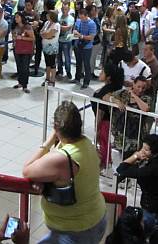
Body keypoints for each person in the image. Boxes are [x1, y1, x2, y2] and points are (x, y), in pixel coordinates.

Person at [23, 101, 107, 243]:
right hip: (96, 219)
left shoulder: (62, 159)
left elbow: (27, 170)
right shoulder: (86, 143)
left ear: (56, 128)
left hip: (75, 232)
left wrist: (48, 142)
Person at [116, 134, 158, 242]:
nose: (142, 151)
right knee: (155, 237)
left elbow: (121, 169)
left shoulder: (150, 170)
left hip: (151, 210)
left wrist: (135, 156)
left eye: (146, 149)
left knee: (141, 238)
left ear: (155, 152)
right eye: (142, 148)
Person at [107, 76, 153, 158]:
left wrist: (134, 95)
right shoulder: (123, 93)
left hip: (136, 135)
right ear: (133, 84)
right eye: (138, 86)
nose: (140, 90)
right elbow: (107, 97)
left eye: (143, 88)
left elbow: (145, 108)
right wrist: (116, 101)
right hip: (122, 132)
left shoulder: (146, 98)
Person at [92, 63, 124, 169]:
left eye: (102, 72)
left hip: (104, 120)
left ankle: (104, 164)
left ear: (109, 77)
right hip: (104, 119)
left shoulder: (108, 90)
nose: (100, 73)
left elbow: (106, 98)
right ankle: (105, 162)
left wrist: (96, 127)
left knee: (104, 141)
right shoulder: (110, 87)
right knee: (104, 142)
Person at [73, 8, 97, 89]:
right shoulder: (79, 20)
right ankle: (77, 78)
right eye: (80, 17)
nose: (81, 20)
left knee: (86, 64)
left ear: (87, 16)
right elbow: (75, 29)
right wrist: (75, 32)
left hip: (87, 47)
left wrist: (81, 36)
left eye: (83, 18)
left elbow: (91, 37)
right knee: (78, 63)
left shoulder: (92, 23)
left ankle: (86, 82)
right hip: (78, 45)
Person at [12, 11, 34, 93]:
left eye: (17, 17)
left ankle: (25, 85)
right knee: (19, 66)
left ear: (22, 17)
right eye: (15, 17)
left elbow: (32, 38)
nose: (16, 19)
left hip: (26, 50)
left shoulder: (27, 26)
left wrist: (21, 38)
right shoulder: (15, 26)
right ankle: (20, 82)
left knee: (25, 67)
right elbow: (14, 36)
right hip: (17, 48)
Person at [40, 10, 60, 87]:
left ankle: (52, 80)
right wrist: (46, 35)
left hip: (52, 47)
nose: (46, 15)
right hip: (45, 46)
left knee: (52, 64)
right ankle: (47, 78)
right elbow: (41, 32)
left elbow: (49, 35)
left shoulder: (56, 25)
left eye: (48, 14)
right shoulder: (46, 23)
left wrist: (46, 35)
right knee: (47, 63)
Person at [57, 2, 74, 80]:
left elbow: (67, 28)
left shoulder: (71, 18)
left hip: (67, 41)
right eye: (63, 9)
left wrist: (59, 26)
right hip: (58, 40)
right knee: (58, 57)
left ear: (69, 9)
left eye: (66, 9)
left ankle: (68, 72)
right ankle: (60, 71)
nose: (64, 11)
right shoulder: (59, 16)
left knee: (67, 58)